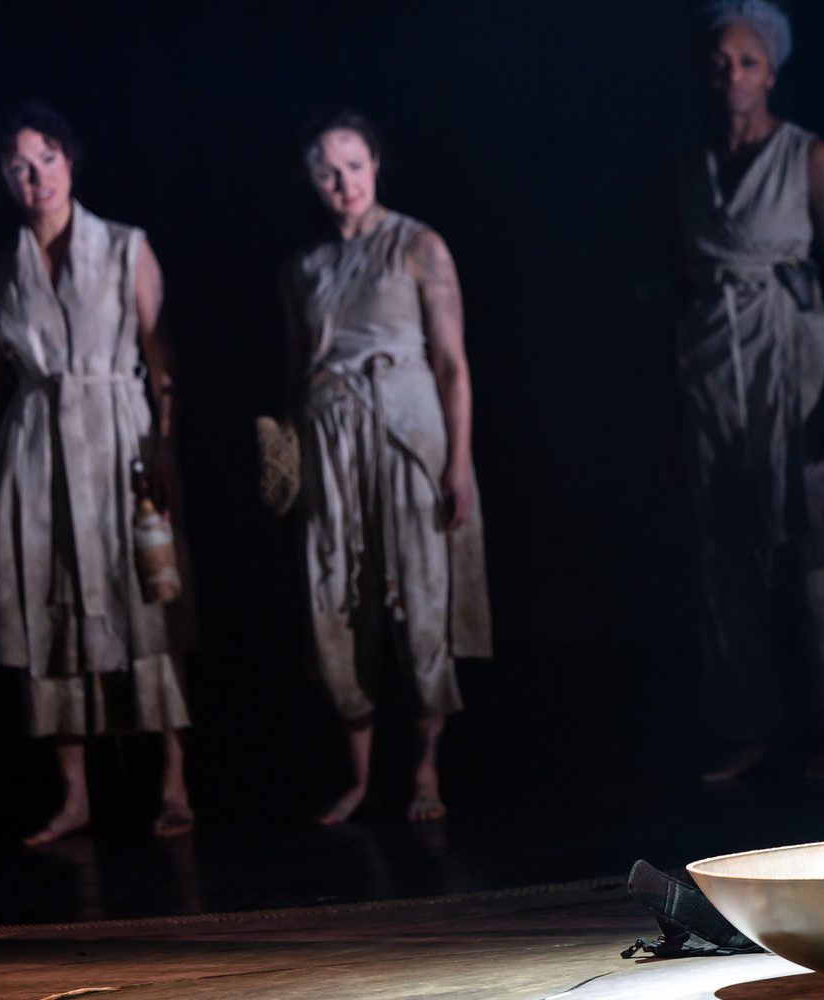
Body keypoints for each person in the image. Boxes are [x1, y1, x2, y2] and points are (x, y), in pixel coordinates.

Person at [0, 103, 194, 846]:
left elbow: (163, 369)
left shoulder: (126, 246)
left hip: (117, 435)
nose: (35, 178)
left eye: (46, 160)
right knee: (47, 605)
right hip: (35, 449)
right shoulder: (0, 270)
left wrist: (165, 454)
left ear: (70, 161)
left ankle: (172, 779)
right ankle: (74, 794)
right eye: (19, 167)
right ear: (6, 179)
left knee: (144, 600)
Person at [668, 0, 824, 784]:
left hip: (795, 361)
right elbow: (680, 294)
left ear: (772, 72)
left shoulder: (808, 157)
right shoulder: (689, 173)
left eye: (747, 63)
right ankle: (746, 726)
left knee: (822, 546)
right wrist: (672, 416)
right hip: (716, 370)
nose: (732, 78)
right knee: (727, 554)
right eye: (720, 64)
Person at [284, 110, 492, 824]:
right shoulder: (305, 266)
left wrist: (458, 464)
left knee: (420, 597)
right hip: (332, 442)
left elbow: (453, 364)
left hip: (407, 433)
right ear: (313, 179)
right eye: (326, 170)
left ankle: (427, 771)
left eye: (354, 164)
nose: (343, 181)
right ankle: (361, 778)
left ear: (376, 163)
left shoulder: (417, 245)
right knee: (337, 598)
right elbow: (296, 368)